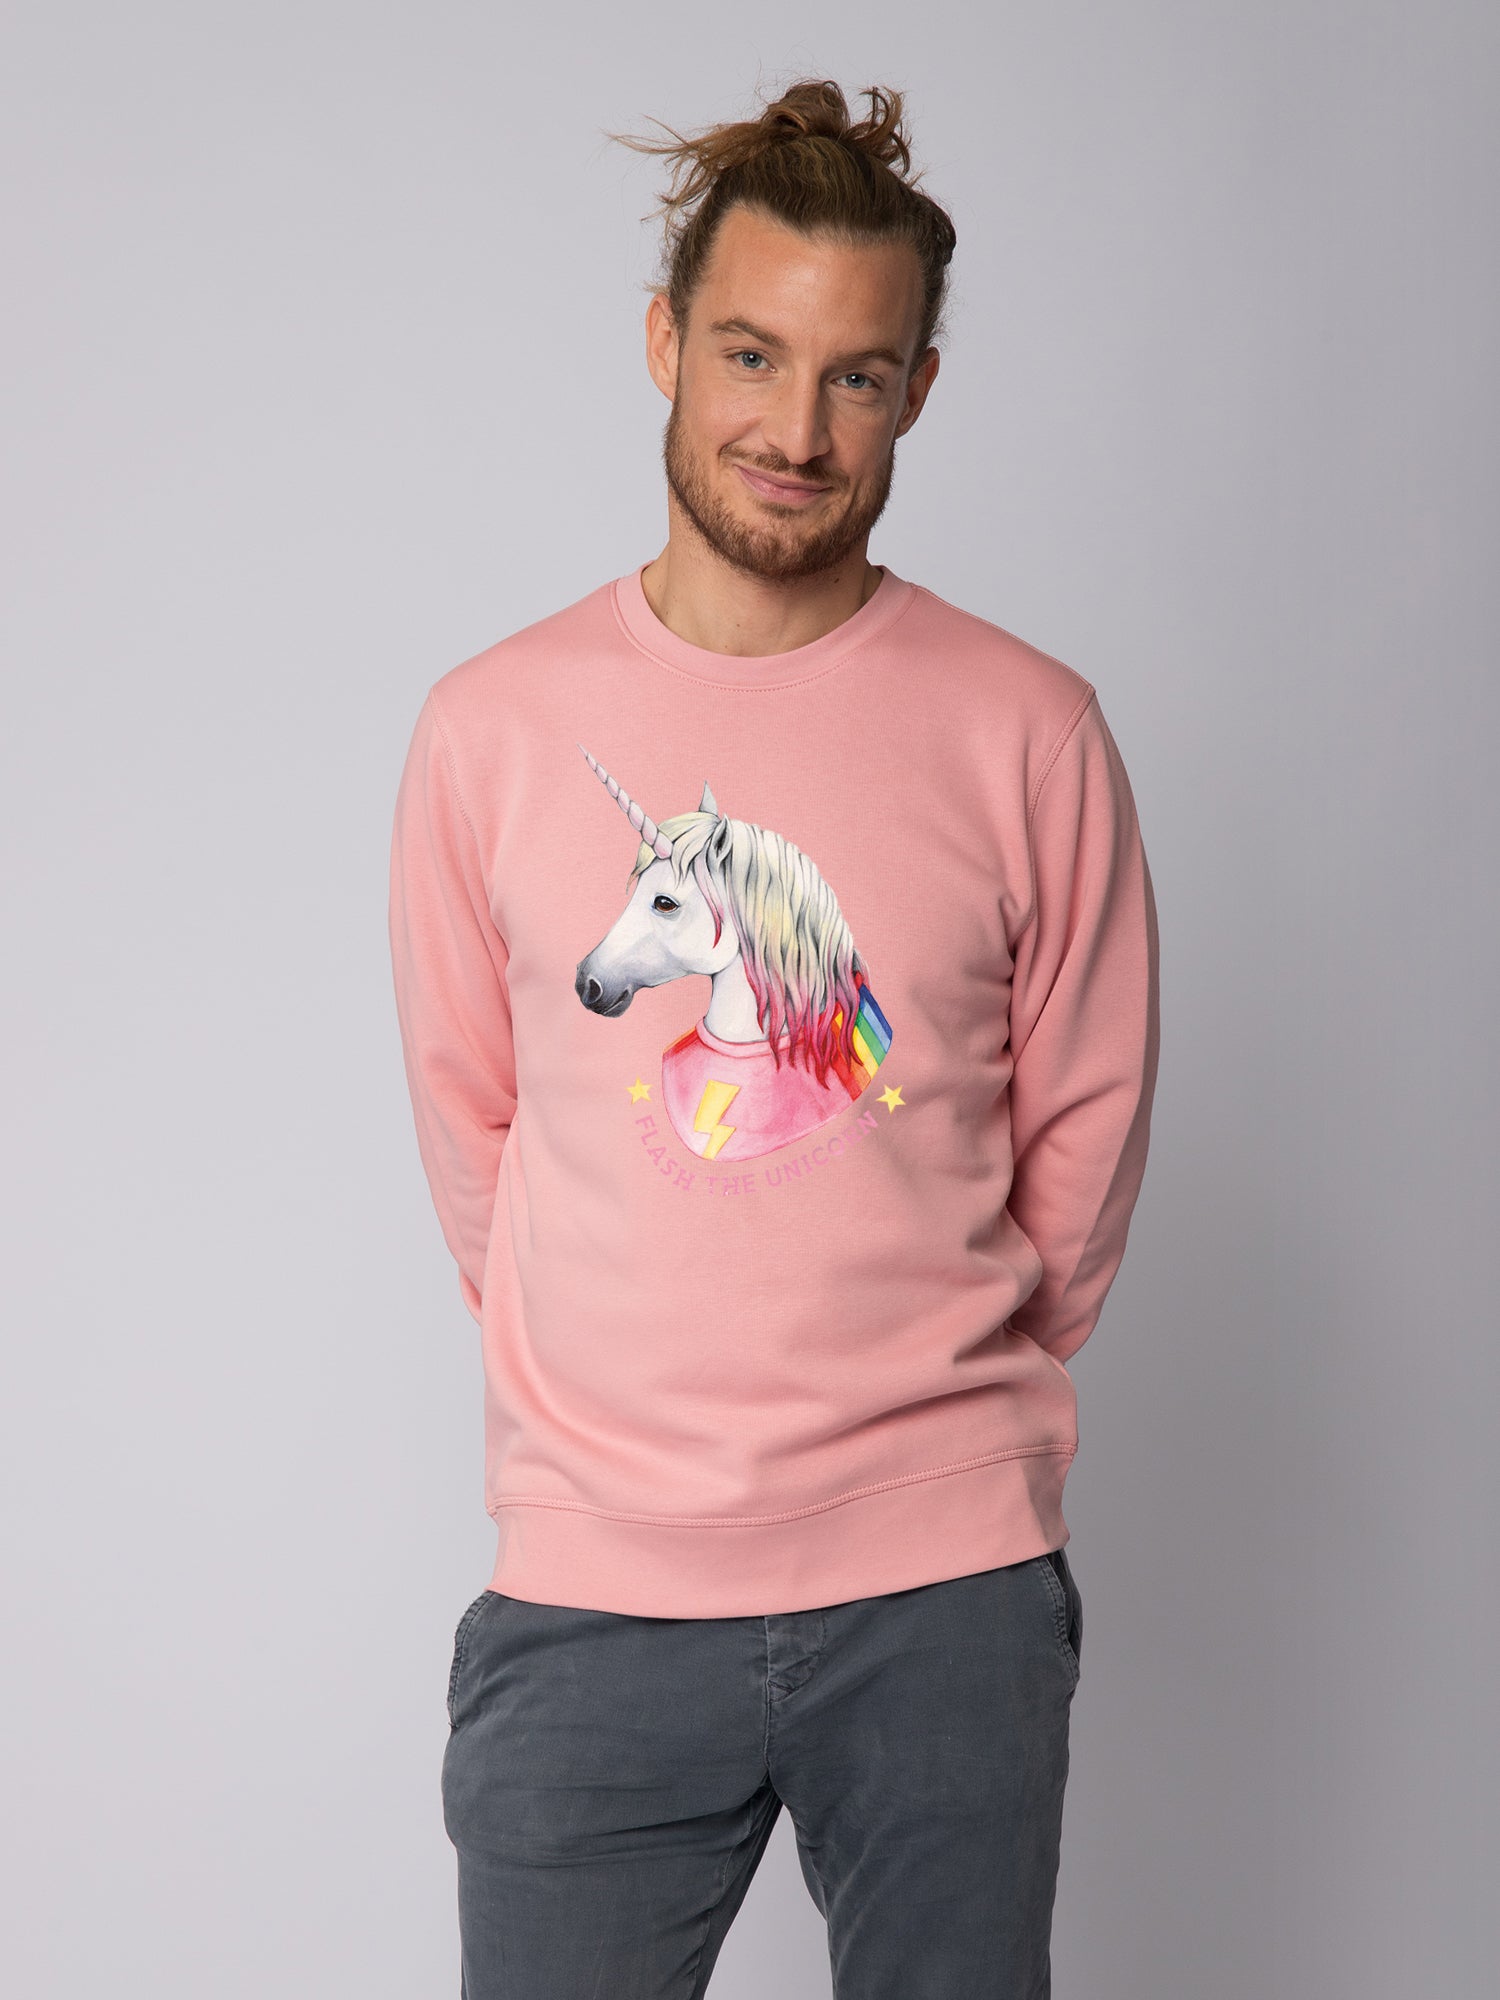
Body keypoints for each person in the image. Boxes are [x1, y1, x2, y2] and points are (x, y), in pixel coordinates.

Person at [388, 75, 1160, 2000]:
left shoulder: (1029, 731)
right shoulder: (487, 733)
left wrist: (922, 1410)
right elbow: (478, 1136)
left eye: (857, 378)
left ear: (916, 393)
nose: (797, 431)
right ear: (664, 342)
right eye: (751, 354)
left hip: (944, 1599)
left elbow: (1083, 1142)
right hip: (593, 1598)